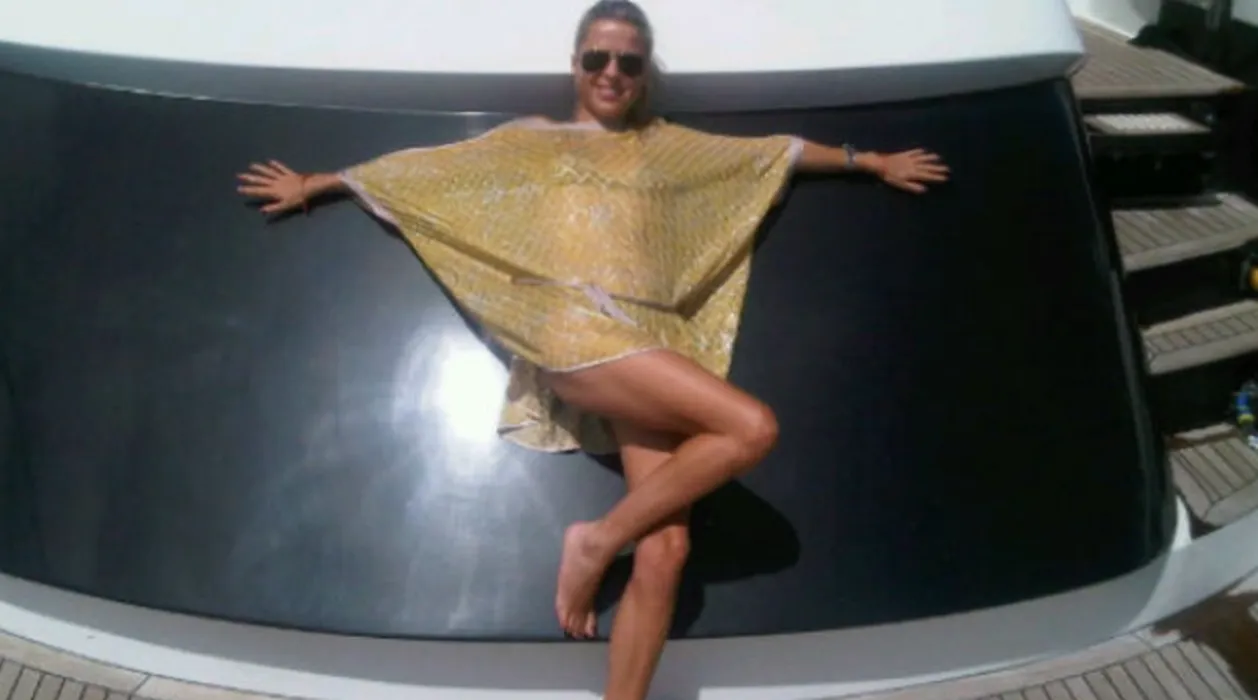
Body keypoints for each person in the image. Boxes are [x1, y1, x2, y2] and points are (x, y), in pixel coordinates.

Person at [236, 1, 948, 697]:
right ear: (576, 63)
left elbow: (772, 154)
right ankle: (597, 541)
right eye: (598, 58)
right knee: (752, 427)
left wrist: (870, 161)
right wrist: (316, 184)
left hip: (650, 346)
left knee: (667, 549)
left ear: (644, 74)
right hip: (575, 330)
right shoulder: (536, 138)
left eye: (628, 63)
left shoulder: (664, 146)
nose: (612, 72)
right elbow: (428, 171)